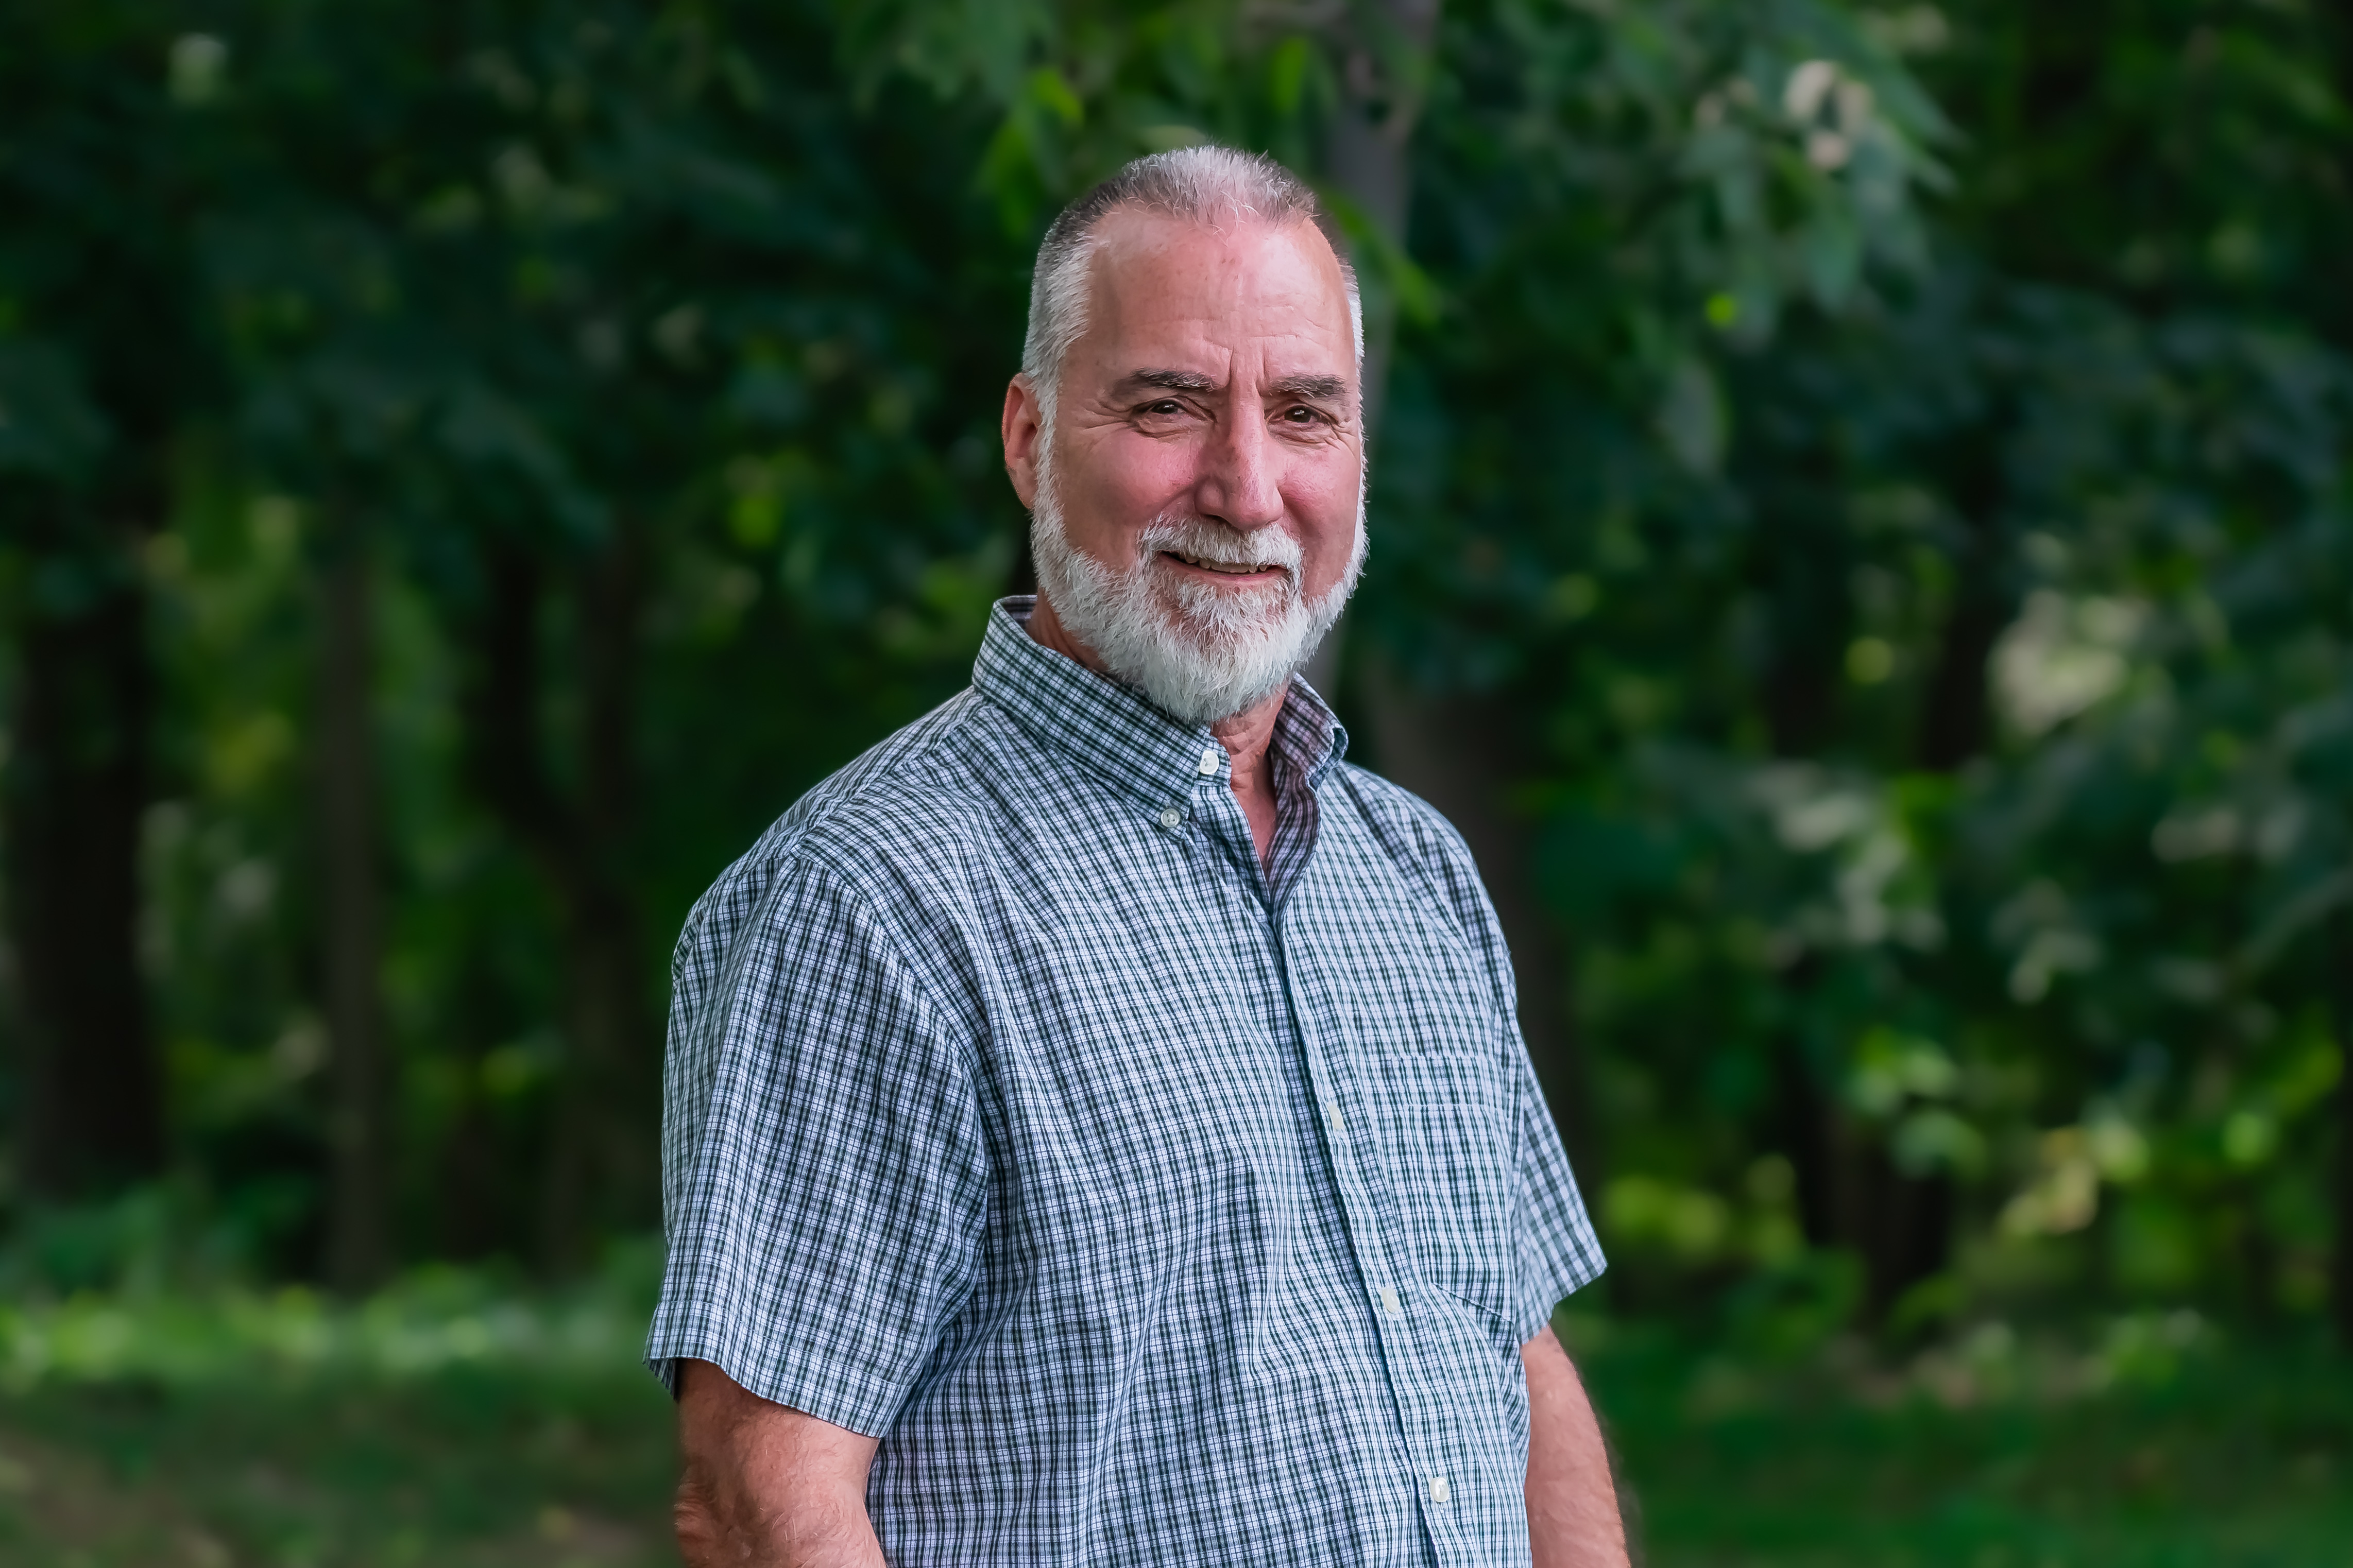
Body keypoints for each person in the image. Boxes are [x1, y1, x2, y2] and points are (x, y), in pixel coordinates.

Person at [645, 145, 1628, 1568]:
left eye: (1305, 414)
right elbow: (760, 1499)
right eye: (1168, 406)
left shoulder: (1414, 875)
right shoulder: (867, 903)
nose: (1245, 487)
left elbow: (1517, 1363)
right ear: (1029, 438)